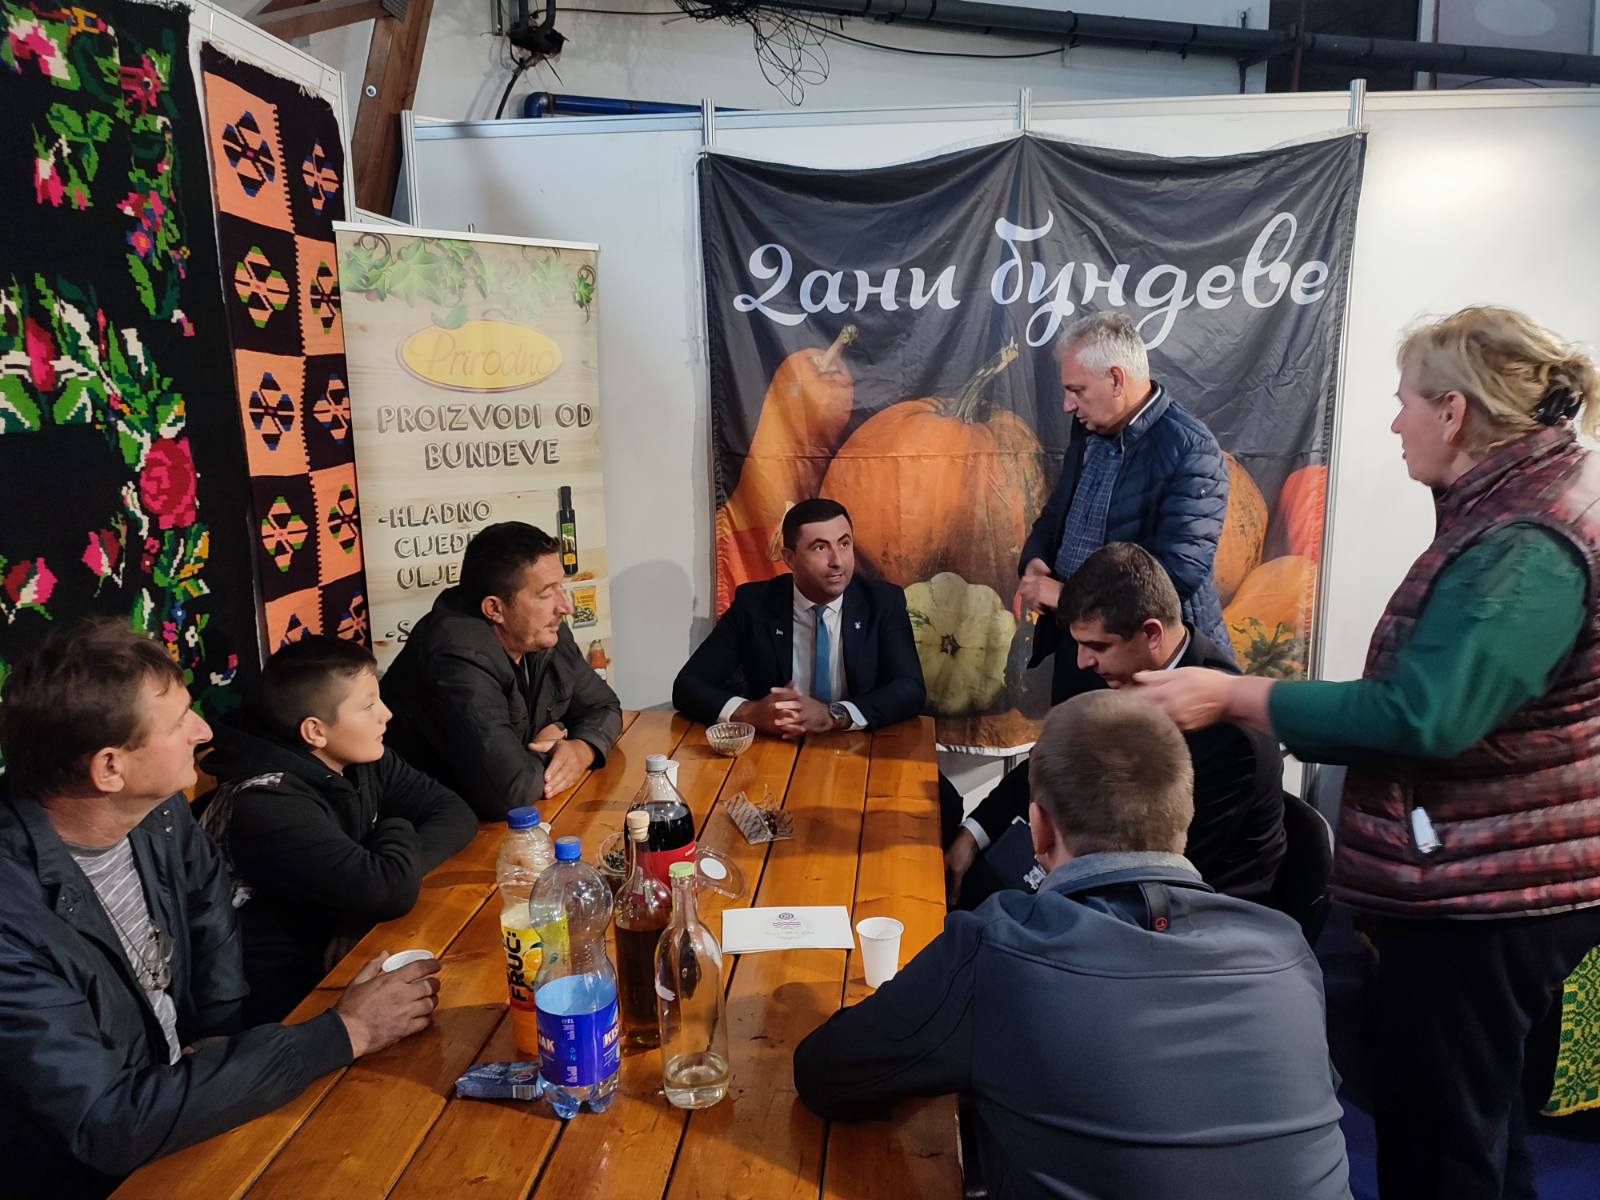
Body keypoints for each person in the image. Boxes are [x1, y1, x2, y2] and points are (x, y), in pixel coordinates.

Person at [1137, 306, 1600, 1200]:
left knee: (1439, 1140)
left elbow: (1426, 713)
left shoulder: (1529, 541)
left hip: (1487, 894)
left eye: (1404, 402)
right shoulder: (1517, 508)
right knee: (1477, 1120)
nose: (1394, 423)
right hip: (1487, 874)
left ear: (1453, 412)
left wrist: (1236, 695)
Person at [794, 691, 1350, 1200]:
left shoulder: (1001, 947)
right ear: (1184, 816)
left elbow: (826, 1074)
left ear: (1037, 830)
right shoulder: (1288, 951)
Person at [0, 619, 441, 1199]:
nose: (203, 730)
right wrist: (346, 1031)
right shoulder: (13, 920)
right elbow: (106, 1123)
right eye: (180, 720)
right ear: (110, 768)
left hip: (191, 1094)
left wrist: (223, 1038)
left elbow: (210, 915)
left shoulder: (156, 812)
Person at [945, 543, 1285, 908]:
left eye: (1097, 646)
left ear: (1151, 634)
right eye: (1079, 644)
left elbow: (1166, 868)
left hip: (1186, 914)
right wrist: (971, 836)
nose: (1083, 662)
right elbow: (1049, 762)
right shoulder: (1112, 667)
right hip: (1104, 874)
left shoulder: (1231, 736)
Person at [198, 636, 478, 1022]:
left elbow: (454, 812)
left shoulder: (361, 758)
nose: (386, 714)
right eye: (368, 705)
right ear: (315, 731)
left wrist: (364, 902)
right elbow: (390, 889)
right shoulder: (265, 802)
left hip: (345, 957)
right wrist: (395, 825)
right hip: (282, 1006)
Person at [1017, 311, 1231, 704]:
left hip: (1148, 669)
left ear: (1116, 379)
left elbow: (1175, 575)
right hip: (1080, 644)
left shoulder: (1191, 450)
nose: (1067, 405)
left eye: (1077, 390)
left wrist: (1066, 597)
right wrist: (1036, 559)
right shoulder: (1088, 429)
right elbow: (1059, 512)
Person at [382, 521, 622, 819]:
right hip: (426, 826)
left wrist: (582, 749)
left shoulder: (543, 633)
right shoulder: (455, 658)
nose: (566, 606)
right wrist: (554, 752)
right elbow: (509, 791)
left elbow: (604, 706)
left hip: (498, 818)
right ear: (494, 609)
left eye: (561, 586)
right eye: (546, 593)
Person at [673, 498, 926, 738]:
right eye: (820, 547)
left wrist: (833, 715)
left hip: (860, 746)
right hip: (777, 745)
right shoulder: (755, 605)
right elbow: (688, 685)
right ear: (790, 559)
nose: (837, 561)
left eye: (844, 544)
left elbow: (910, 689)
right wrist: (750, 713)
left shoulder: (882, 602)